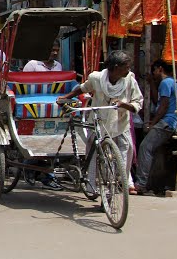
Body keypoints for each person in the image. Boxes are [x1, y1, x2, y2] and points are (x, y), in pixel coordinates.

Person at [57, 50, 142, 194]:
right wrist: (66, 97)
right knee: (94, 153)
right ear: (116, 67)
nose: (128, 70)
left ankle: (123, 181)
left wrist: (123, 104)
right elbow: (83, 88)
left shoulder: (129, 80)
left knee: (126, 151)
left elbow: (137, 101)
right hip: (99, 121)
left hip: (120, 123)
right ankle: (91, 184)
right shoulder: (97, 78)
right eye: (126, 67)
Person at [135, 60, 177, 195]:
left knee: (145, 147)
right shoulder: (170, 83)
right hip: (169, 121)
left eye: (154, 71)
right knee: (152, 150)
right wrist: (151, 83)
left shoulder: (166, 83)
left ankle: (141, 184)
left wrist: (153, 123)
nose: (153, 74)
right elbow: (158, 101)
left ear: (160, 69)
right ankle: (150, 183)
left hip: (167, 122)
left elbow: (163, 105)